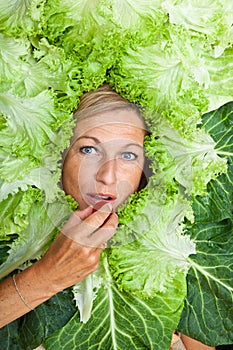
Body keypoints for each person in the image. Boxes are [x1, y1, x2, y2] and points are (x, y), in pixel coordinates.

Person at [0, 84, 215, 350]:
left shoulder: (179, 252)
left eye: (128, 155)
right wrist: (47, 275)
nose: (108, 175)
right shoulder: (9, 238)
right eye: (88, 149)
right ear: (59, 156)